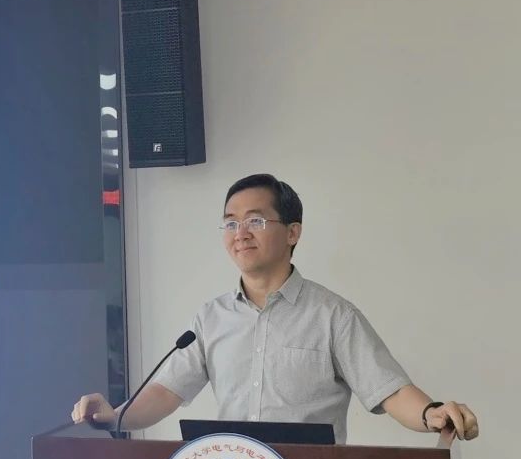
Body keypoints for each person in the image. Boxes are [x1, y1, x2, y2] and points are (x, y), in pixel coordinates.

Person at [72, 173, 479, 444]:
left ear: (292, 232)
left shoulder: (333, 315)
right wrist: (114, 415)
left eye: (256, 221)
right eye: (230, 223)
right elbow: (165, 392)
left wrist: (431, 413)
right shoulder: (211, 319)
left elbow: (389, 390)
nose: (240, 233)